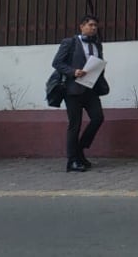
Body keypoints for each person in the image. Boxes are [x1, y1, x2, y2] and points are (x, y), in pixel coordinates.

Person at [53, 14, 109, 172]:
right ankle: (72, 161)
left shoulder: (97, 44)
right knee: (74, 125)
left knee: (98, 118)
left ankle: (79, 150)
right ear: (81, 26)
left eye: (95, 26)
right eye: (90, 25)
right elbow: (57, 63)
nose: (93, 28)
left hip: (90, 89)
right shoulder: (69, 42)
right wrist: (73, 71)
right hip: (72, 90)